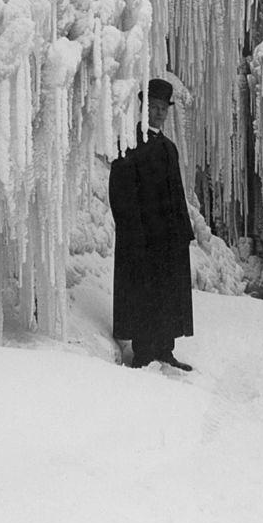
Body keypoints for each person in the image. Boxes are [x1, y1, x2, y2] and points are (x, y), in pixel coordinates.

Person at [109, 78, 195, 370]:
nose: (158, 113)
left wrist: (183, 232)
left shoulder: (169, 147)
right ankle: (144, 352)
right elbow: (120, 192)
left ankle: (165, 349)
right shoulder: (130, 143)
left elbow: (177, 193)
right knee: (144, 292)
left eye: (163, 109)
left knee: (168, 291)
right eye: (154, 108)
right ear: (144, 109)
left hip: (169, 238)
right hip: (143, 237)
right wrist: (133, 232)